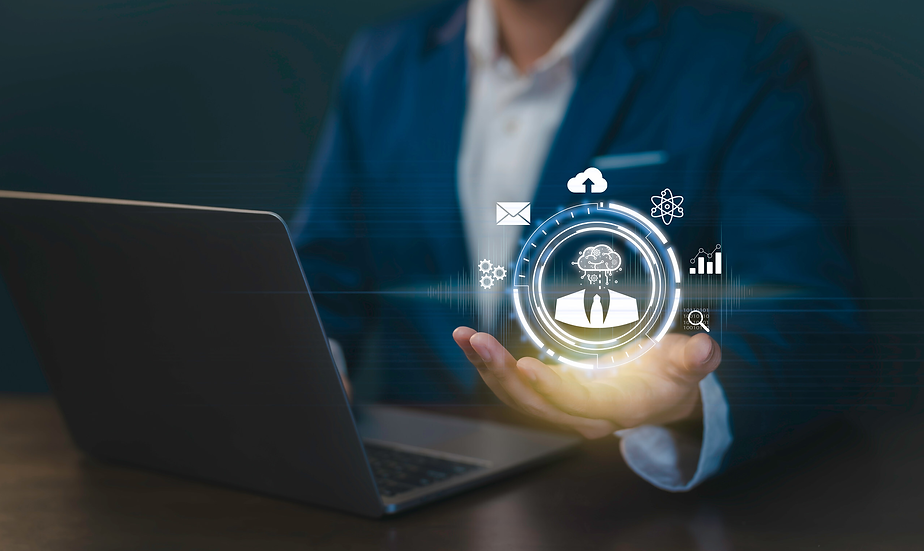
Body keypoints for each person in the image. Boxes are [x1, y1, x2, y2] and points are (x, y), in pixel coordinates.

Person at [293, 0, 859, 491]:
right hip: (413, 481)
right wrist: (307, 364)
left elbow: (810, 315)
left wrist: (686, 399)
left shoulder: (741, 57)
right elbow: (324, 268)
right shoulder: (383, 59)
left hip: (620, 491)